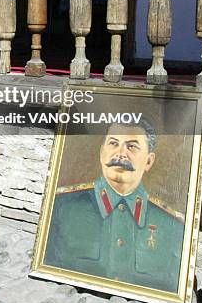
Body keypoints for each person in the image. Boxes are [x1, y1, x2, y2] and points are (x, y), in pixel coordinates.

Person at [44, 119, 185, 292]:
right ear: (102, 152)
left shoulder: (173, 225)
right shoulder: (60, 206)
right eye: (113, 143)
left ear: (149, 161)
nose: (120, 154)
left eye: (131, 146)